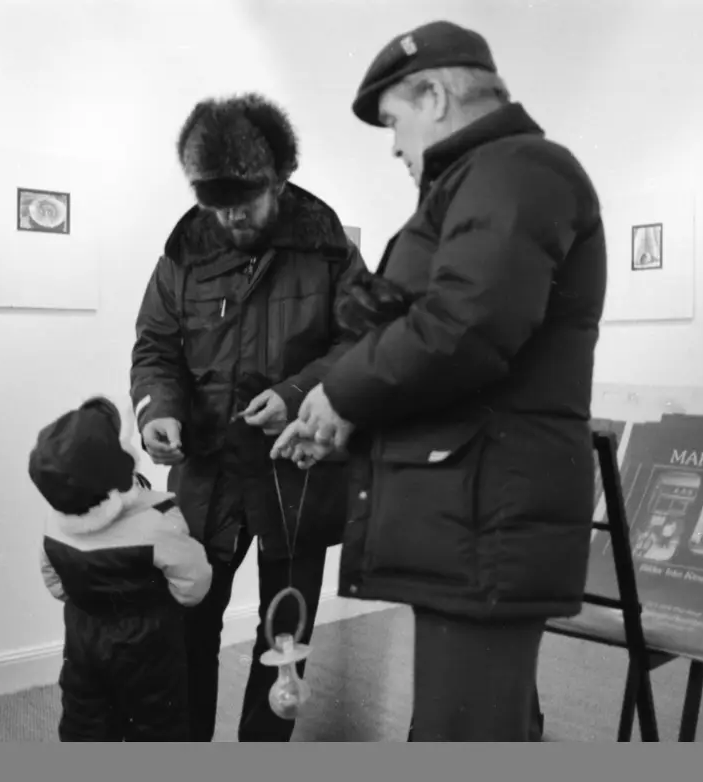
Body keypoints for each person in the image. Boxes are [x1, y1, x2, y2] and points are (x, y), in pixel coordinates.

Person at [272, 19, 607, 742]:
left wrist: (341, 394)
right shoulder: (486, 179)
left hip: (486, 512)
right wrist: (344, 413)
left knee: (463, 734)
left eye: (395, 121)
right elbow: (427, 332)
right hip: (473, 508)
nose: (394, 146)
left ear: (434, 96)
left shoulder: (517, 170)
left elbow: (464, 325)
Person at [129, 93, 368, 742]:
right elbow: (156, 347)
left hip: (296, 469)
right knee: (186, 626)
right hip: (207, 473)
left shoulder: (327, 245)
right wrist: (158, 411)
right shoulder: (185, 247)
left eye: (245, 202)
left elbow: (363, 344)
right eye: (217, 203)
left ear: (279, 181)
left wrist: (297, 393)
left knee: (284, 636)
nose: (231, 216)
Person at [28, 395, 213, 742]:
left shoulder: (54, 526)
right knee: (159, 726)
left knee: (86, 720)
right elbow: (194, 584)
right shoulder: (157, 521)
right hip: (150, 647)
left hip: (83, 640)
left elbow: (54, 583)